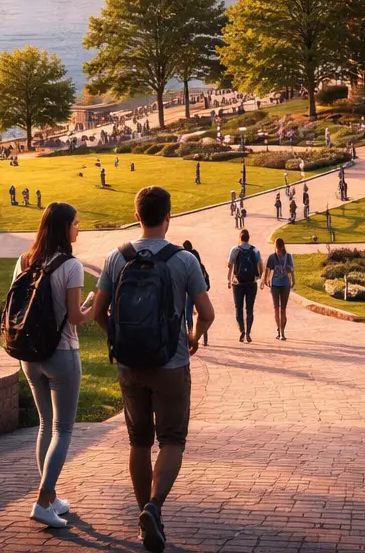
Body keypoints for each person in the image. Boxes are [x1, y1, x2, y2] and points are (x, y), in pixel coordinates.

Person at [92, 186, 215, 553]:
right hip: (171, 362)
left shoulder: (117, 257)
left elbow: (99, 312)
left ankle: (145, 518)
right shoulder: (184, 260)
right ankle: (154, 507)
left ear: (137, 214)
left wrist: (118, 339)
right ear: (168, 216)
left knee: (139, 441)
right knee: (173, 440)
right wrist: (193, 336)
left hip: (130, 365)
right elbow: (207, 313)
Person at [13, 202, 94, 529]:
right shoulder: (71, 265)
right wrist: (92, 307)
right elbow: (75, 318)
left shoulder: (24, 260)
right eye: (76, 223)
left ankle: (53, 496)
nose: (78, 229)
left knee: (46, 425)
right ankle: (44, 501)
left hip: (29, 356)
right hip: (62, 354)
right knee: (62, 429)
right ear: (64, 228)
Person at [226, 229, 261, 343]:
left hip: (238, 283)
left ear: (240, 238)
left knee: (238, 307)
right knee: (249, 309)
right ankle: (248, 332)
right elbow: (260, 264)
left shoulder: (234, 249)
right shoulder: (255, 250)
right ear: (248, 238)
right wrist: (259, 277)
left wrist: (229, 280)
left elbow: (230, 265)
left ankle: (241, 330)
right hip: (251, 283)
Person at [262, 237, 296, 340]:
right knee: (277, 309)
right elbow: (267, 270)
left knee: (282, 309)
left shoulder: (288, 256)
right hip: (276, 285)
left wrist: (293, 280)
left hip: (284, 284)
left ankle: (282, 332)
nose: (278, 250)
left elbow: (291, 270)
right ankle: (279, 330)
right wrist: (265, 280)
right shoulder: (272, 257)